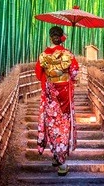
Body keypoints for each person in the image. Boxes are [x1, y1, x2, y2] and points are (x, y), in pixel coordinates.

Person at [34, 26, 79, 176]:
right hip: (64, 93)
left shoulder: (42, 55)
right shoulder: (67, 54)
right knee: (63, 124)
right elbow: (74, 74)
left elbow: (38, 74)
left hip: (49, 93)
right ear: (61, 37)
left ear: (50, 37)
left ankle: (55, 154)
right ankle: (62, 163)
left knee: (51, 122)